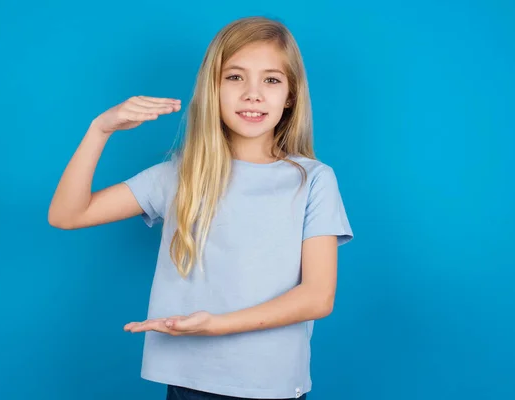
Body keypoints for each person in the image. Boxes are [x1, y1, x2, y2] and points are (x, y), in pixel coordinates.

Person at [49, 15, 354, 400]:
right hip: (190, 383)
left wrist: (218, 325)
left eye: (271, 80)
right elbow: (67, 214)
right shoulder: (180, 174)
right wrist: (100, 130)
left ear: (291, 95)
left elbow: (317, 297)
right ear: (213, 88)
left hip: (270, 386)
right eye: (235, 77)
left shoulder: (313, 180)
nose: (253, 94)